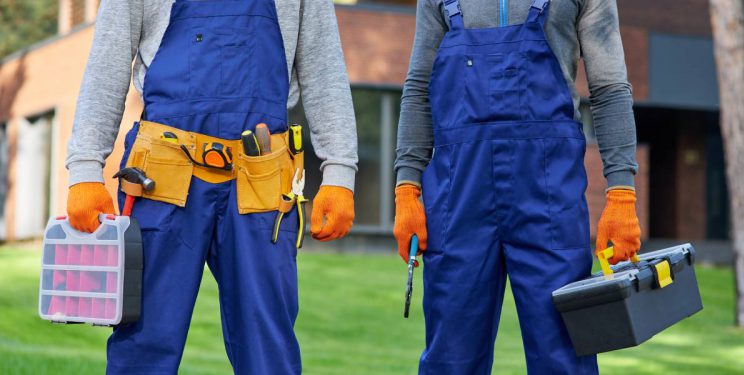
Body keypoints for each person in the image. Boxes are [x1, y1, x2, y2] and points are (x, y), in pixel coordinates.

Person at [65, 0, 358, 373]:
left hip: (262, 177)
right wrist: (86, 170)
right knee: (143, 345)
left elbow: (323, 68)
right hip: (161, 176)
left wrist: (339, 173)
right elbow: (107, 61)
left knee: (268, 348)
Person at [393, 0, 641, 373]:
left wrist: (621, 192)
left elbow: (609, 88)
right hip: (458, 199)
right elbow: (418, 88)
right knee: (450, 360)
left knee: (563, 357)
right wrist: (406, 186)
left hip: (548, 198)